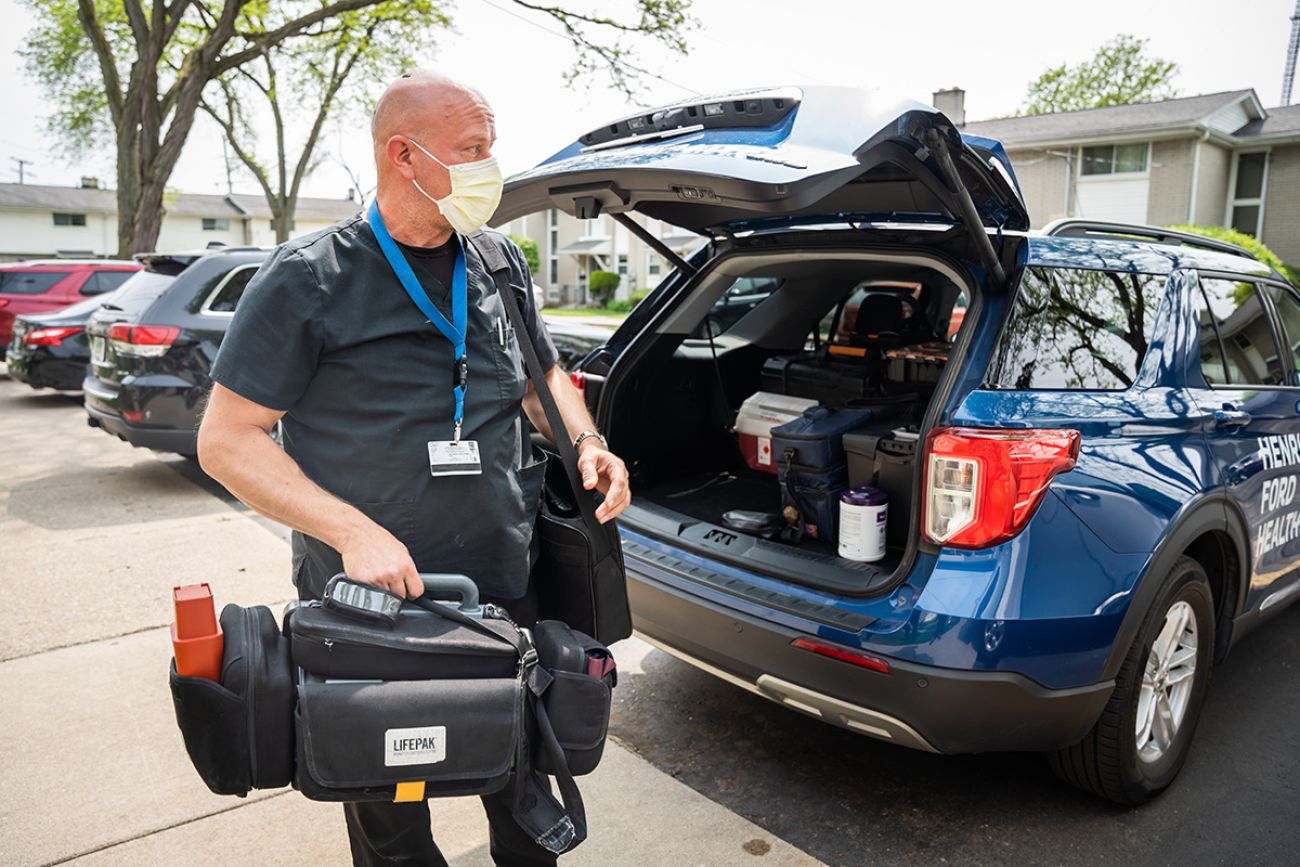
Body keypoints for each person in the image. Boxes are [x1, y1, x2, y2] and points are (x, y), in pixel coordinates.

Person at [197, 70, 631, 867]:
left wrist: (589, 443)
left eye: (490, 148)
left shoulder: (498, 260)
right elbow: (227, 439)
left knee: (525, 790)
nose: (489, 166)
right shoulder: (308, 277)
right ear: (405, 155)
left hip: (507, 588)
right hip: (371, 607)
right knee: (392, 812)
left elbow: (545, 384)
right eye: (471, 149)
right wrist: (351, 530)